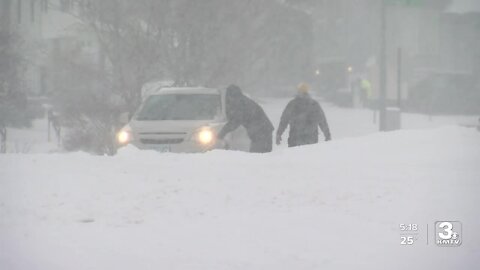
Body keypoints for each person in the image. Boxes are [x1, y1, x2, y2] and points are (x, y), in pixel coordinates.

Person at [217, 85, 274, 153]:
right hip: (262, 131)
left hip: (261, 132)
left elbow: (235, 121)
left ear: (232, 95)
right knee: (259, 155)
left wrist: (221, 133)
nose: (229, 99)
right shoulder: (242, 100)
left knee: (257, 155)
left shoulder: (241, 103)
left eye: (229, 96)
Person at [276, 83, 331, 147]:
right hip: (311, 139)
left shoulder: (292, 104)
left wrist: (279, 133)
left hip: (295, 138)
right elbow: (322, 120)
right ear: (307, 92)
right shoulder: (314, 104)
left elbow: (284, 120)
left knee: (295, 156)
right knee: (309, 156)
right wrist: (327, 135)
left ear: (298, 91)